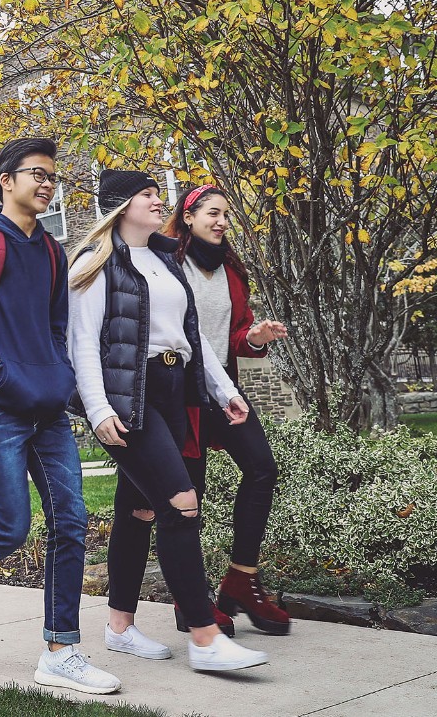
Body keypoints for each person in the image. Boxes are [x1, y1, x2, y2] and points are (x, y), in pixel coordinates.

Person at [0, 137, 122, 695]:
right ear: (5, 180)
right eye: (36, 174)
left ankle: (61, 650)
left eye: (52, 177)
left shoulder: (55, 253)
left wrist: (58, 379)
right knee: (10, 526)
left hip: (49, 409)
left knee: (71, 522)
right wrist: (8, 379)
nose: (47, 183)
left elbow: (57, 329)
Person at [67, 168, 268, 672]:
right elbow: (83, 344)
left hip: (176, 392)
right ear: (120, 206)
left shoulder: (163, 258)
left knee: (139, 511)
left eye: (159, 194)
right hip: (131, 400)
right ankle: (204, 638)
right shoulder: (97, 262)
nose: (160, 202)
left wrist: (223, 391)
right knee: (181, 505)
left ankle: (119, 628)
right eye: (148, 195)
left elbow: (192, 337)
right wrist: (97, 409)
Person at [166, 184, 291, 635]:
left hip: (224, 390)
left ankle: (241, 580)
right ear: (188, 216)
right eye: (212, 213)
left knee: (262, 468)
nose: (221, 222)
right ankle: (190, 600)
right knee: (188, 497)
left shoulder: (231, 271)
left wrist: (255, 336)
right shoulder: (170, 265)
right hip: (181, 395)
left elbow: (234, 335)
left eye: (225, 215)